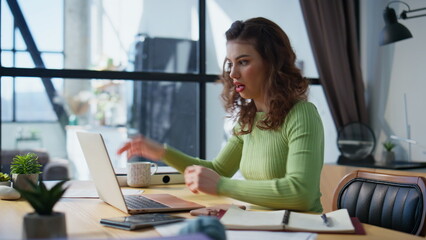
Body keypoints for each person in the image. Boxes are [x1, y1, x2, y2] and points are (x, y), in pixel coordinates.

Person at [117, 17, 324, 213]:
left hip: (302, 230)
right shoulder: (249, 120)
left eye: (243, 62)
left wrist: (222, 186)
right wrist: (162, 152)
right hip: (261, 227)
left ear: (272, 63)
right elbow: (219, 169)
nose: (233, 74)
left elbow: (301, 193)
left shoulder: (302, 115)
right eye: (230, 64)